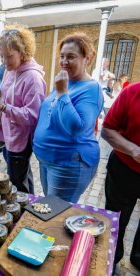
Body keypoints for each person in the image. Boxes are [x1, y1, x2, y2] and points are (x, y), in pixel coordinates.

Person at [33, 32, 103, 203]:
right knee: (50, 206)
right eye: (62, 56)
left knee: (57, 212)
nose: (64, 62)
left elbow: (76, 128)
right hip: (48, 159)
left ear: (87, 59)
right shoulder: (64, 82)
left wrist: (63, 92)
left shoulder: (91, 88)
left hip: (68, 164)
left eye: (71, 57)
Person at [0, 25, 46, 194]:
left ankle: (22, 214)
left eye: (9, 56)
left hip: (21, 138)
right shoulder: (10, 71)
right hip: (8, 135)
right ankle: (27, 207)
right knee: (22, 177)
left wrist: (4, 107)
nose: (4, 62)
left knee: (17, 183)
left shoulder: (33, 78)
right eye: (1, 56)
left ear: (23, 52)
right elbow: (5, 99)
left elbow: (32, 116)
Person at [101, 82, 140, 271]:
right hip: (124, 170)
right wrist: (134, 150)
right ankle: (112, 261)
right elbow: (107, 129)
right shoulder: (132, 92)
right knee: (116, 221)